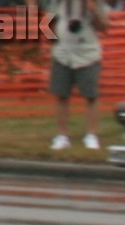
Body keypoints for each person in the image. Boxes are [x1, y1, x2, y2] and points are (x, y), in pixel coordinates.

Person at [44, 0, 107, 151]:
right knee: (61, 95)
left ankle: (91, 135)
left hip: (87, 53)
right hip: (63, 53)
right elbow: (46, 23)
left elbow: (104, 27)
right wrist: (54, 42)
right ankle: (62, 135)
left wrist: (94, 12)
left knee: (91, 95)